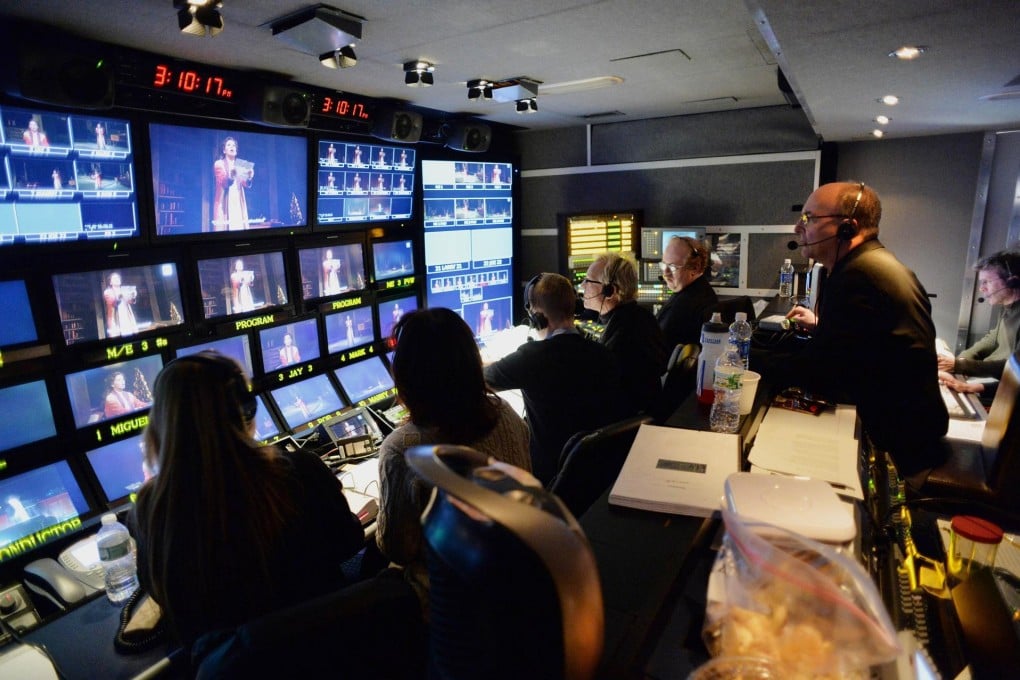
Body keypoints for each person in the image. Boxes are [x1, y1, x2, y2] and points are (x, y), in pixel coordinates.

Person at [129, 351, 364, 646]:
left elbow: (161, 593)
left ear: (160, 422)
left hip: (228, 663)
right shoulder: (299, 471)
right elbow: (349, 540)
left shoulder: (149, 510)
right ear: (246, 410)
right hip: (329, 651)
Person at [775, 181, 948, 482]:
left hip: (900, 452)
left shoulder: (858, 276)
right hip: (915, 432)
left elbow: (822, 373)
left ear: (847, 228)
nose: (797, 228)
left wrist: (747, 362)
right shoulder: (874, 264)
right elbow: (864, 347)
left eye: (808, 218)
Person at [377, 308, 530, 609]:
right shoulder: (508, 415)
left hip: (449, 609)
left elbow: (398, 549)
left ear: (406, 376)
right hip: (516, 583)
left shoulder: (401, 449)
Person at [485, 273, 631, 484]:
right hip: (597, 474)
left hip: (546, 477)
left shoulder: (531, 358)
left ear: (537, 317)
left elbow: (478, 380)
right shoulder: (603, 354)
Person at [581, 253, 669, 415]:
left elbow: (603, 394)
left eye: (588, 281)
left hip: (623, 421)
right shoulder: (639, 317)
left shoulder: (625, 336)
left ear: (610, 291)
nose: (582, 285)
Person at [938, 250, 1020, 399]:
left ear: (1011, 281)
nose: (981, 288)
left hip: (1003, 390)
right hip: (990, 379)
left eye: (986, 282)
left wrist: (959, 366)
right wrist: (959, 362)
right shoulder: (1008, 308)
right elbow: (992, 339)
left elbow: (1015, 366)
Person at [656, 236, 719, 350]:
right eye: (663, 265)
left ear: (695, 268)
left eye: (672, 267)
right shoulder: (702, 291)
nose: (665, 273)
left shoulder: (684, 306)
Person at [213, 136, 253, 231]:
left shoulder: (241, 164)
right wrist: (232, 175)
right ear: (224, 150)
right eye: (229, 145)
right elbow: (223, 181)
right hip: (224, 202)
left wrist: (249, 176)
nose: (232, 147)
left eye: (234, 145)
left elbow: (245, 183)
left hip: (238, 200)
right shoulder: (219, 163)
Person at [103, 272, 138, 337]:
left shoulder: (124, 290)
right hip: (115, 318)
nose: (117, 279)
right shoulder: (107, 292)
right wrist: (120, 296)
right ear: (110, 282)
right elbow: (113, 303)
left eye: (118, 278)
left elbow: (130, 301)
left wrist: (133, 296)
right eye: (114, 278)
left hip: (126, 316)